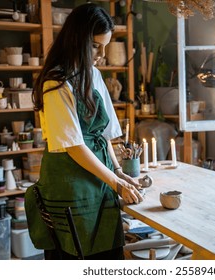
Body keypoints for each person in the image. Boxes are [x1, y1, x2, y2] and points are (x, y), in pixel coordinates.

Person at [24, 3, 143, 260]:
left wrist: (119, 171)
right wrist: (115, 182)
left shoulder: (94, 74)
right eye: (95, 46)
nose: (101, 55)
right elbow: (74, 146)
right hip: (70, 184)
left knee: (107, 254)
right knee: (75, 255)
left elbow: (103, 134)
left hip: (99, 178)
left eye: (104, 47)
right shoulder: (56, 82)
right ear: (76, 39)